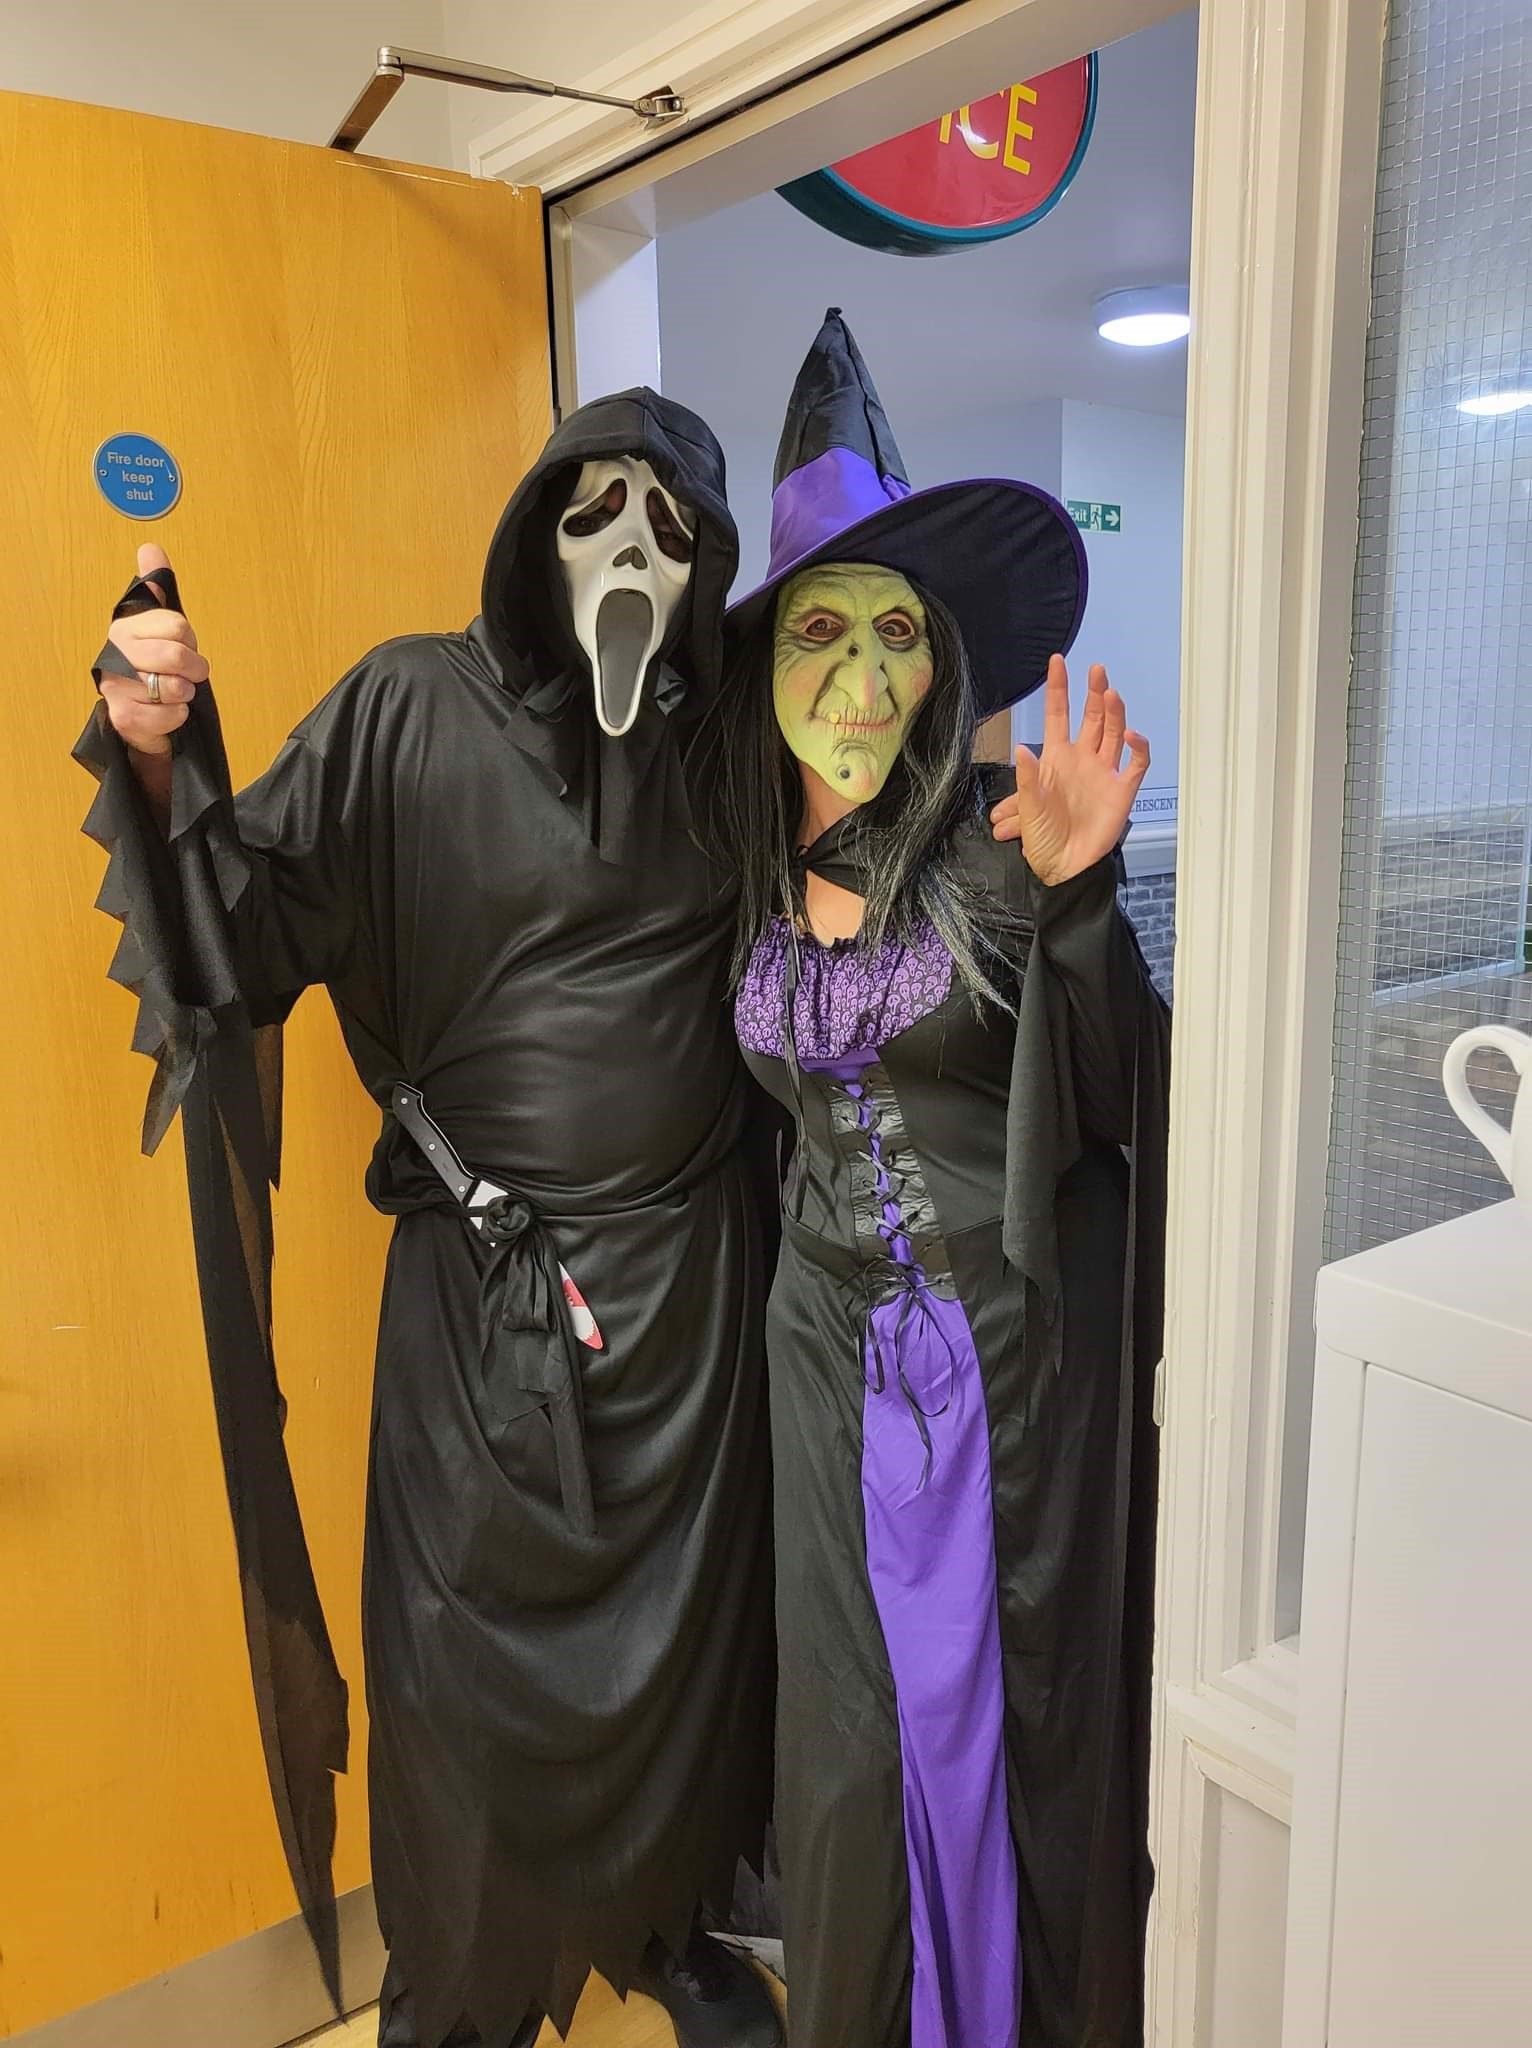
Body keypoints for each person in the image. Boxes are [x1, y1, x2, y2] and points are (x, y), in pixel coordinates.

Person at [75, 391, 782, 2048]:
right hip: (487, 1308)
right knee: (461, 1683)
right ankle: (458, 2006)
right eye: (596, 510)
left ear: (709, 559)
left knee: (684, 1669)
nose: (630, 550)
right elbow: (241, 933)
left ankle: (667, 1927)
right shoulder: (408, 705)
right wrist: (158, 749)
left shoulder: (722, 741)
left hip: (690, 1302)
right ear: (536, 527)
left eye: (670, 525)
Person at [702, 311, 1170, 2048]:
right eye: (815, 630)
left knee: (1003, 1718)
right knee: (847, 1744)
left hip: (1007, 1365)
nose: (855, 674)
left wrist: (1083, 897)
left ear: (937, 662)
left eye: (893, 632)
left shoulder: (995, 858)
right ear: (766, 668)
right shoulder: (737, 881)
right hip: (822, 1364)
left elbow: (1125, 1097)